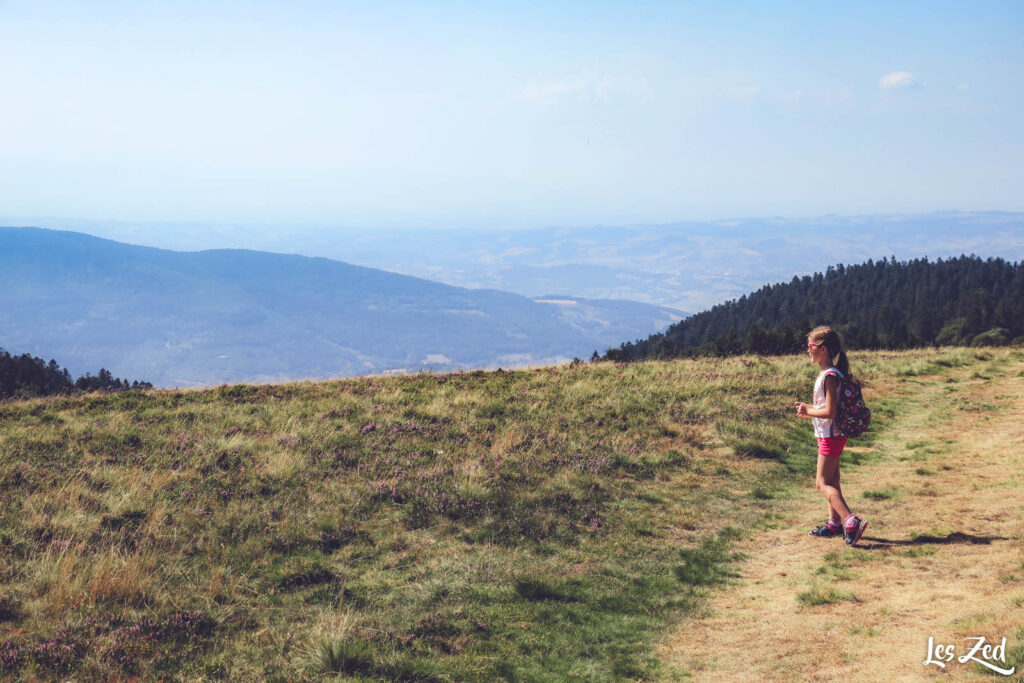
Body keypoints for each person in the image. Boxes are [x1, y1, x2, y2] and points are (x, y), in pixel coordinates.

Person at [793, 325, 867, 546]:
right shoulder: (833, 374)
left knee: (821, 483)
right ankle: (834, 523)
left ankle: (850, 520)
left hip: (830, 435)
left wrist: (807, 411)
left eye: (811, 346)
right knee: (833, 480)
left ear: (823, 349)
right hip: (833, 434)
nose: (808, 351)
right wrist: (810, 409)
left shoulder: (830, 376)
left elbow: (830, 412)